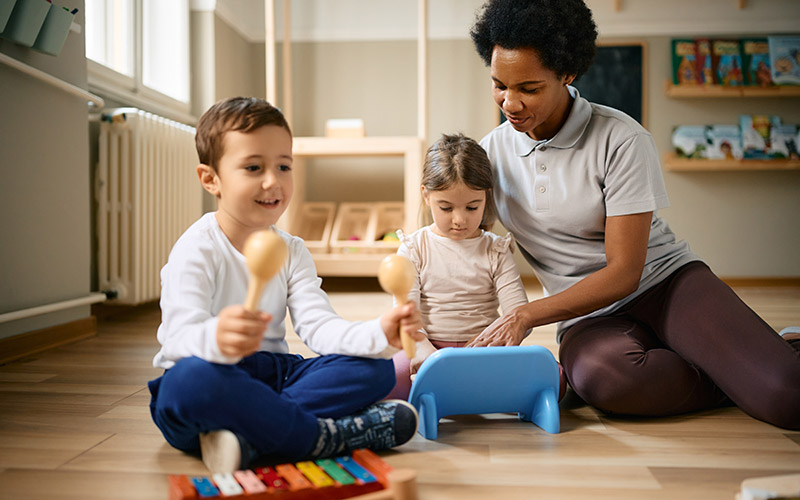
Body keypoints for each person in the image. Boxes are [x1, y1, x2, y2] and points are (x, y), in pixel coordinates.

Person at [468, 0, 800, 430]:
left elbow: (625, 273)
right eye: (499, 85)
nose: (509, 103)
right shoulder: (490, 154)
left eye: (528, 88)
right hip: (587, 314)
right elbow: (463, 241)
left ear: (567, 75)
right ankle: (738, 367)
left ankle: (769, 356)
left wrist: (527, 314)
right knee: (609, 383)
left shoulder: (621, 138)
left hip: (664, 284)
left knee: (787, 397)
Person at [147, 97, 425, 474]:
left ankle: (248, 438)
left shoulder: (293, 250)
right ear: (211, 179)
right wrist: (216, 337)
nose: (272, 181)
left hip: (274, 375)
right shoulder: (195, 248)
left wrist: (380, 332)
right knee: (188, 384)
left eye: (283, 166)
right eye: (253, 167)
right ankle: (324, 436)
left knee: (376, 369)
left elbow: (319, 328)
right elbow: (178, 337)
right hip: (212, 375)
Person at [386, 133, 554, 401]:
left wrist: (489, 347)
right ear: (426, 196)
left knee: (554, 377)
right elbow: (406, 315)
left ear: (486, 197)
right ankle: (470, 392)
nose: (459, 220)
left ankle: (459, 391)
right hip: (428, 347)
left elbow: (517, 313)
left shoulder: (496, 249)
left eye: (472, 207)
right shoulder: (414, 247)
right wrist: (427, 355)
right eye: (446, 207)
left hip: (483, 351)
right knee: (383, 379)